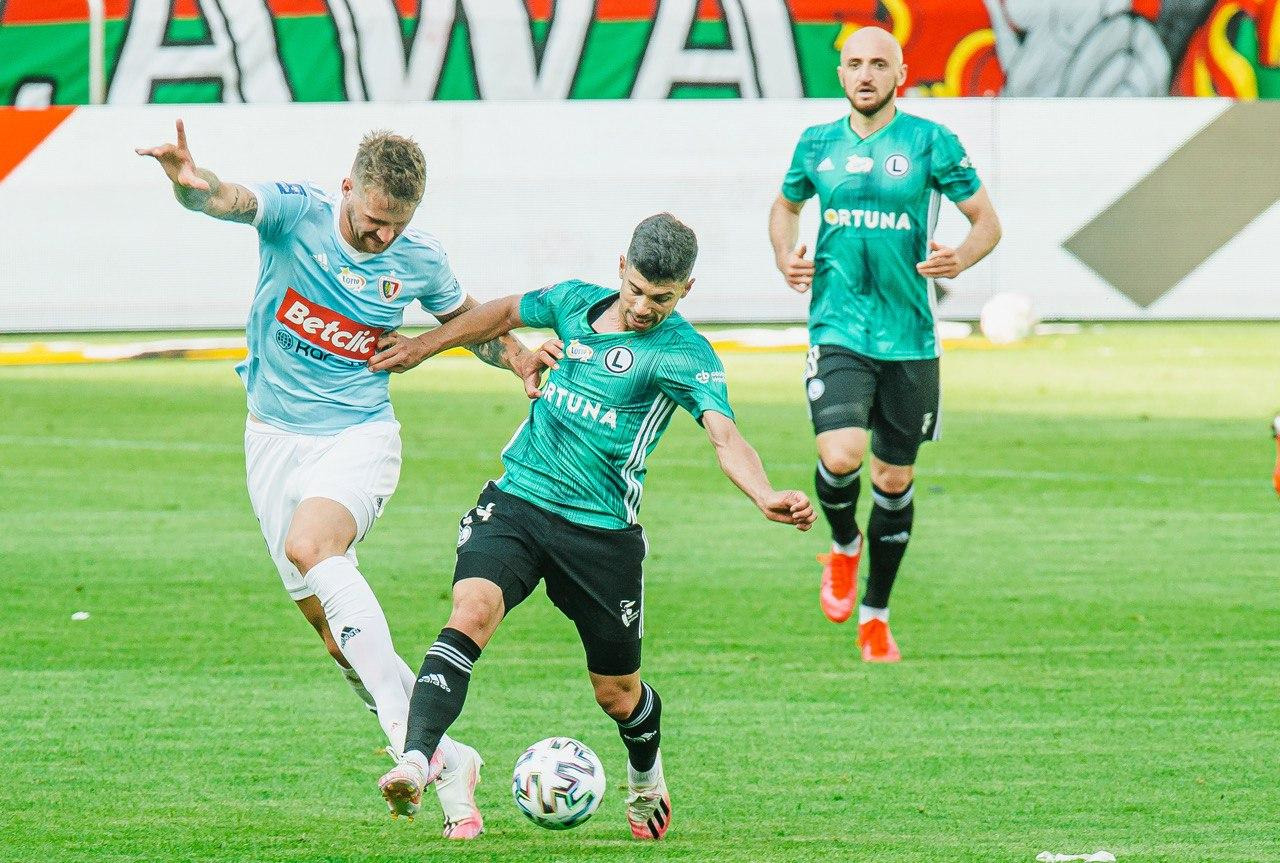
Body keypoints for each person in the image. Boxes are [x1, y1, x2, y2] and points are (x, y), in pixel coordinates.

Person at [136, 120, 544, 839]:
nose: (383, 237)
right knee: (335, 637)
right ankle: (451, 760)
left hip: (358, 436)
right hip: (271, 440)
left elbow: (469, 321)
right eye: (372, 221)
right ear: (348, 187)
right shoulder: (298, 213)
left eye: (397, 226)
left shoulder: (419, 258)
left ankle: (413, 755)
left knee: (313, 545)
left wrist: (514, 356)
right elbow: (227, 198)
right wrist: (190, 186)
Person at [368, 213, 815, 839]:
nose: (644, 307)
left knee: (617, 694)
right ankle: (418, 762)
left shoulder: (685, 354)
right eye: (637, 290)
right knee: (471, 611)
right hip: (520, 502)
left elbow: (725, 436)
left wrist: (763, 493)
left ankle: (645, 775)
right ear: (621, 268)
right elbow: (501, 312)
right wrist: (422, 347)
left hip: (601, 536)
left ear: (686, 290)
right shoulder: (573, 303)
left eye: (662, 298)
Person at [768, 27, 1002, 662]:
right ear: (841, 74)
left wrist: (960, 257)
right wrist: (786, 256)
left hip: (910, 338)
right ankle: (844, 543)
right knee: (841, 454)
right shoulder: (816, 144)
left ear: (900, 73)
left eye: (878, 64)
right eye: (854, 64)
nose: (865, 74)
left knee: (893, 477)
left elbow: (987, 222)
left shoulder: (931, 141)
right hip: (837, 327)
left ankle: (875, 614)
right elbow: (785, 207)